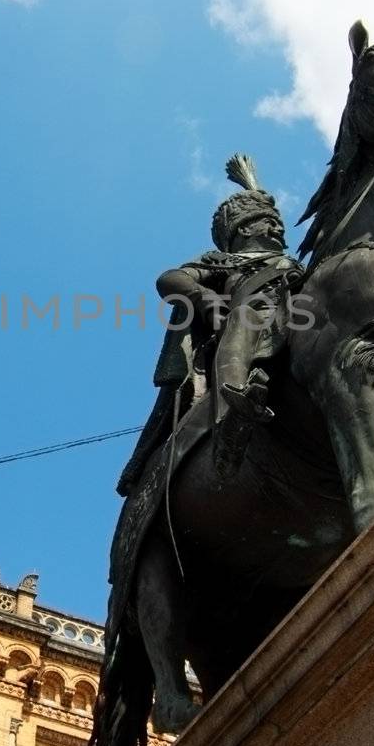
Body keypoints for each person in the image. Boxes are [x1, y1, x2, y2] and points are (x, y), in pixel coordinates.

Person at [116, 156, 303, 495]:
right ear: (244, 229)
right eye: (268, 223)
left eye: (278, 223)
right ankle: (232, 413)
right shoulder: (222, 262)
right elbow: (170, 279)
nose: (279, 228)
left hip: (303, 315)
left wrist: (253, 186)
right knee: (248, 315)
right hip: (249, 320)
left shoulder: (291, 263)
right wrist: (205, 300)